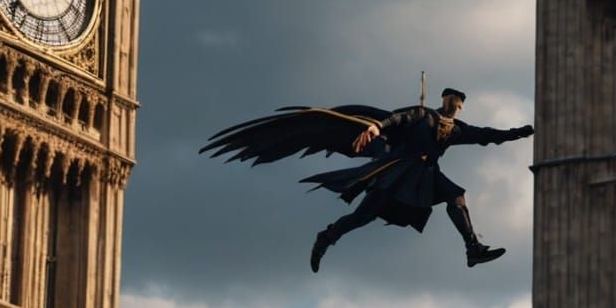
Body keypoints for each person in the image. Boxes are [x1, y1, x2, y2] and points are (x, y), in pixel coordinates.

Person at [201, 87, 533, 272]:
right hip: (399, 171)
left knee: (457, 196)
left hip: (426, 177)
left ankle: (472, 248)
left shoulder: (456, 130)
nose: (453, 107)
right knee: (364, 215)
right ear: (443, 101)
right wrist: (376, 127)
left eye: (458, 105)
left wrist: (520, 132)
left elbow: (487, 135)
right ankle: (327, 236)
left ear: (460, 108)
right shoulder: (423, 116)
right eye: (450, 102)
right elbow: (395, 118)